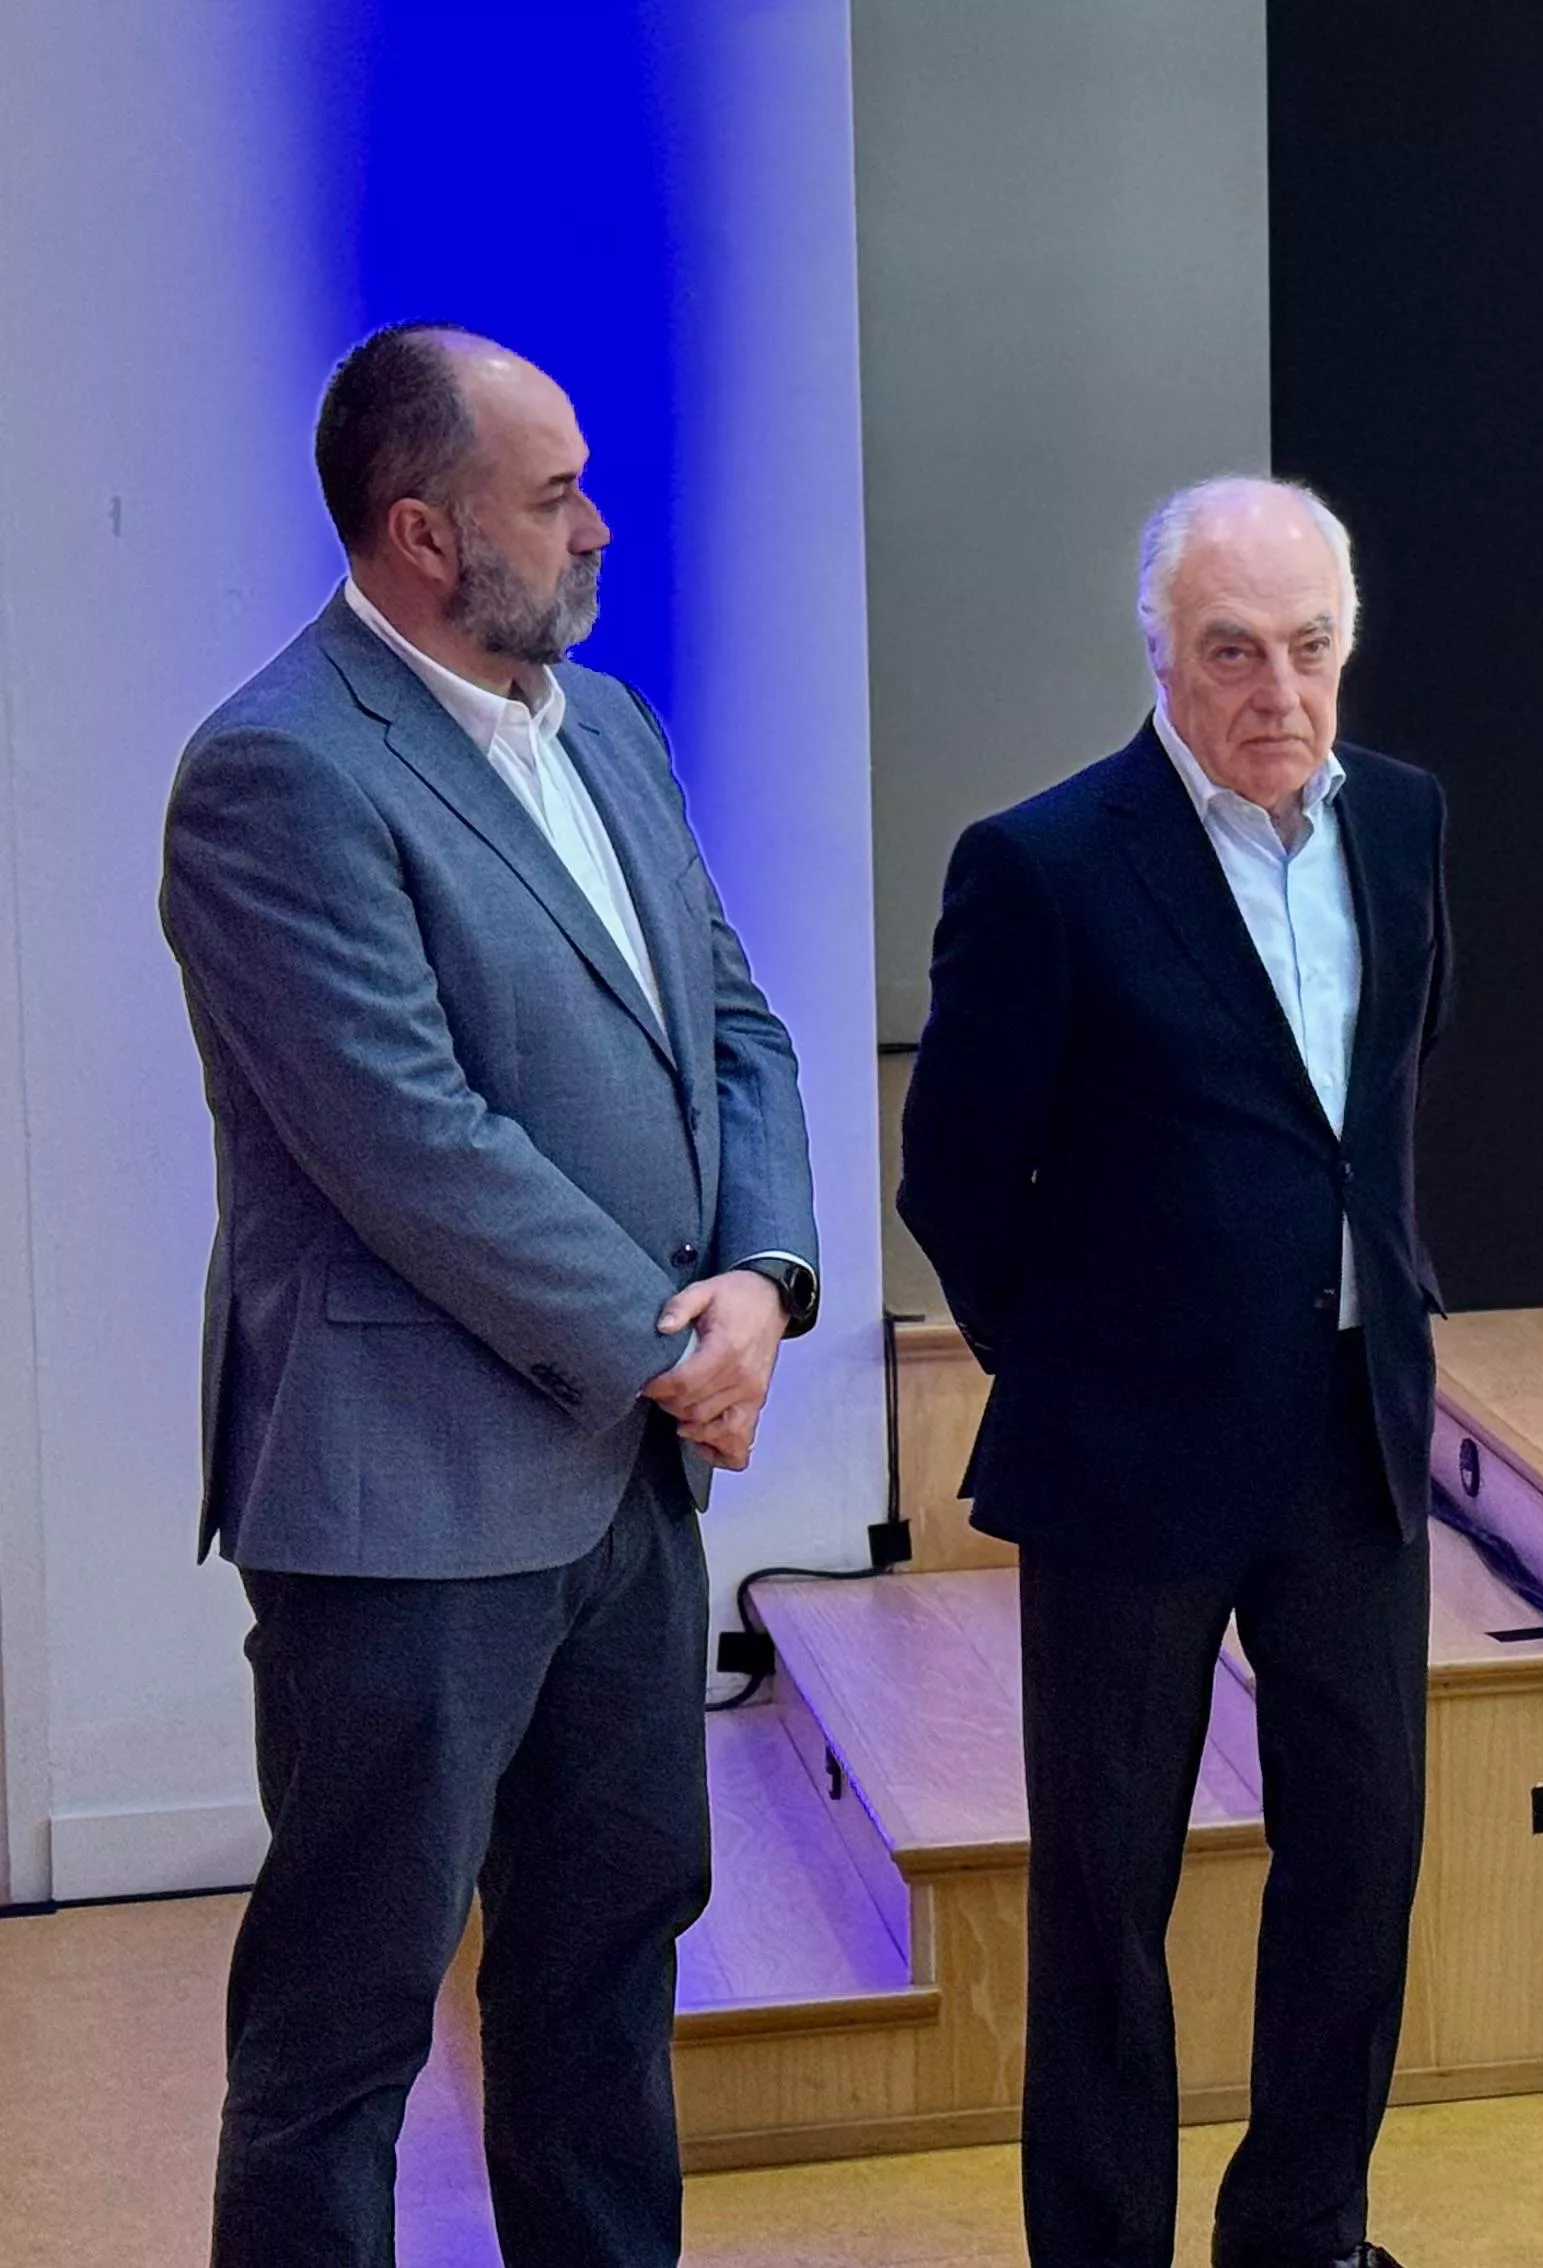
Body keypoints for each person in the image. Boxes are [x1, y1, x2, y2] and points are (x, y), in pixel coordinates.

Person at [158, 323, 822, 2266]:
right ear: (424, 532)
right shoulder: (274, 775)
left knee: (606, 1970)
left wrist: (764, 1284)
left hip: (620, 1492)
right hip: (408, 1507)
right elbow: (411, 1144)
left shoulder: (608, 730)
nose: (601, 527)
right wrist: (663, 1354)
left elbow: (735, 1026)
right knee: (346, 2026)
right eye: (555, 497)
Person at [898, 476, 1445, 2268]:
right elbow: (958, 1181)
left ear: (1347, 645)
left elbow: (1375, 1119)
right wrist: (1076, 1365)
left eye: (1307, 648)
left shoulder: (1411, 827)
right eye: (1231, 652)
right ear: (1159, 656)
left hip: (1350, 1430)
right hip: (1130, 1458)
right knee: (1108, 1900)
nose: (1276, 692)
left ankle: (1303, 2229)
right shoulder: (1045, 864)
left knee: (1363, 1861)